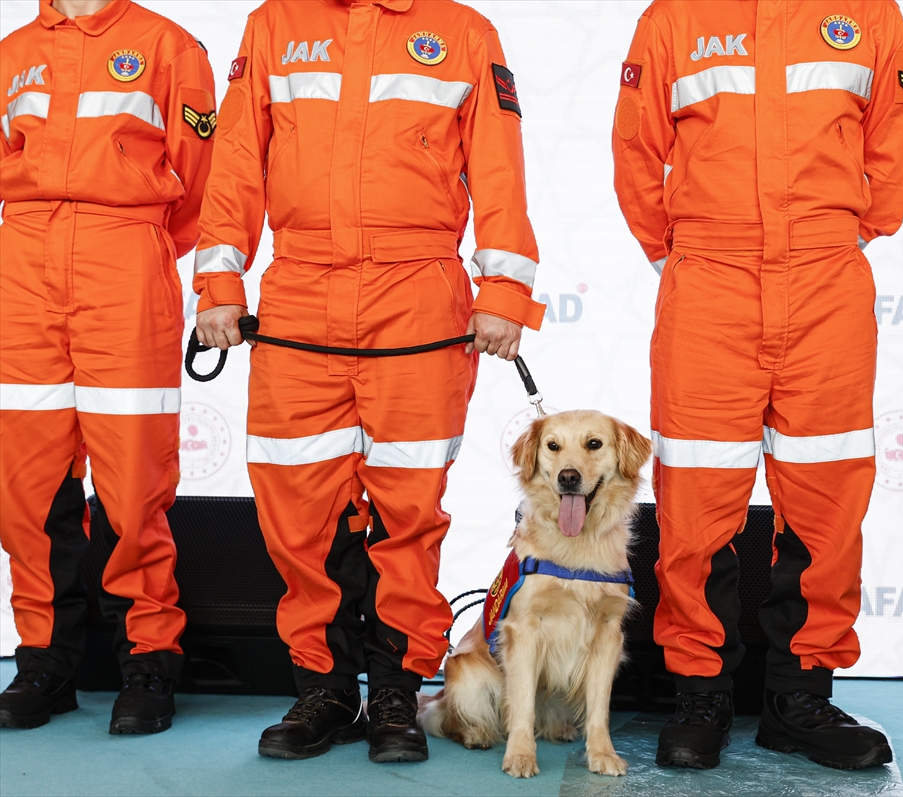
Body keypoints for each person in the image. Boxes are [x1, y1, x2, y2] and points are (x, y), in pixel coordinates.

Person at [193, 0, 544, 763]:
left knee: (407, 503)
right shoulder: (273, 25)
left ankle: (394, 684)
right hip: (299, 290)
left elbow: (498, 167)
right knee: (298, 501)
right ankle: (322, 686)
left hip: (416, 292)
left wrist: (506, 293)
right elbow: (235, 160)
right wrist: (219, 284)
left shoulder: (463, 32)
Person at [613, 0, 903, 770]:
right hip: (709, 279)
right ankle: (701, 690)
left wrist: (846, 230)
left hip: (826, 278)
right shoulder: (673, 19)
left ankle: (800, 695)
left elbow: (897, 135)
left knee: (827, 495)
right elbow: (635, 149)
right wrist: (683, 253)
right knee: (696, 500)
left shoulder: (869, 15)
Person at [0, 0, 214, 734]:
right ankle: (44, 659)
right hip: (22, 263)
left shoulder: (168, 45)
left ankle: (148, 659)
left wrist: (133, 243)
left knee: (133, 483)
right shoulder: (13, 49)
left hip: (122, 260)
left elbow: (198, 182)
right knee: (25, 485)